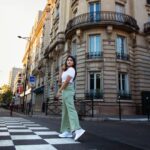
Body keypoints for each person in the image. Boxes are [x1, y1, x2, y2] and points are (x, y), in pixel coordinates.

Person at [56, 55, 85, 141]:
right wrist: (61, 70)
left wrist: (59, 91)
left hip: (68, 90)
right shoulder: (66, 70)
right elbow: (60, 82)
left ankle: (78, 129)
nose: (69, 61)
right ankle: (67, 131)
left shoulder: (72, 70)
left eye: (71, 60)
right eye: (68, 60)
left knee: (71, 109)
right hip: (65, 91)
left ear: (73, 62)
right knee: (65, 111)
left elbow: (67, 82)